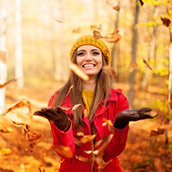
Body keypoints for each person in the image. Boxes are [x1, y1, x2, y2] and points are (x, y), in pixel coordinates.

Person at [34, 35, 154, 172]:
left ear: (103, 61)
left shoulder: (118, 99)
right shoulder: (59, 99)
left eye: (95, 53)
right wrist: (63, 127)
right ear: (75, 62)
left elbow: (111, 153)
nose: (88, 58)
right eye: (81, 53)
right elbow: (66, 153)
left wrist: (120, 125)